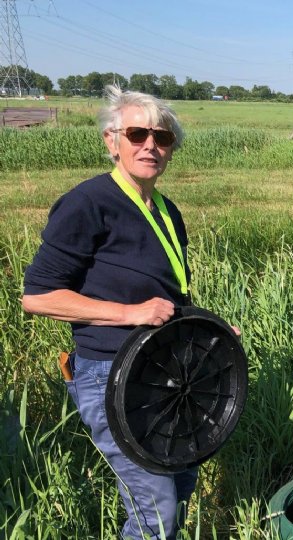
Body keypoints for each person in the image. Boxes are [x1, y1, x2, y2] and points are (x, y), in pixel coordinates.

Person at [22, 85, 196, 539]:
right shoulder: (89, 203)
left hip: (164, 370)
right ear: (111, 140)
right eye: (138, 133)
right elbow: (37, 297)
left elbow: (169, 297)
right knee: (154, 507)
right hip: (110, 374)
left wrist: (208, 330)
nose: (151, 145)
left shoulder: (164, 210)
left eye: (163, 137)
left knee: (179, 484)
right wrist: (127, 313)